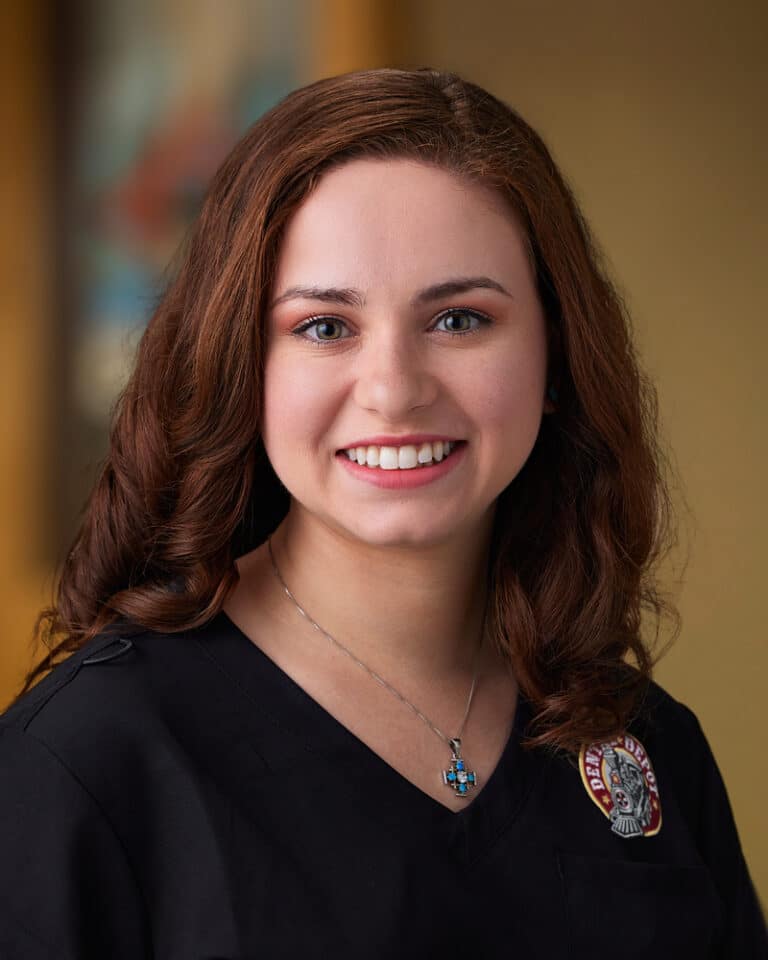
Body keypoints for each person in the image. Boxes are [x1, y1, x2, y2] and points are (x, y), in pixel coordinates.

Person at [0, 67, 764, 959]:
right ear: (237, 365)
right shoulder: (87, 762)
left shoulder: (647, 747)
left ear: (556, 356)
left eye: (460, 320)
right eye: (325, 327)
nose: (395, 391)